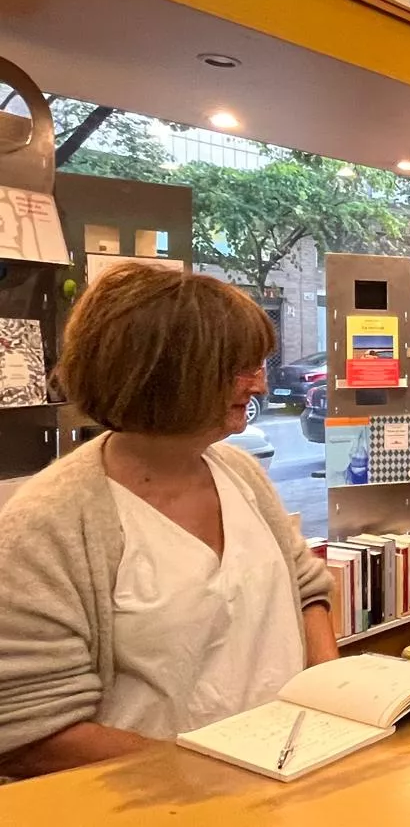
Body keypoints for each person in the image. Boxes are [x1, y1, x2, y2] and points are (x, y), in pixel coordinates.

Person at [0, 264, 337, 780]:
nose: (260, 383)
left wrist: (330, 700)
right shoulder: (48, 525)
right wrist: (217, 774)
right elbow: (31, 733)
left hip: (288, 782)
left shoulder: (241, 473)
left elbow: (307, 591)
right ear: (160, 373)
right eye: (238, 368)